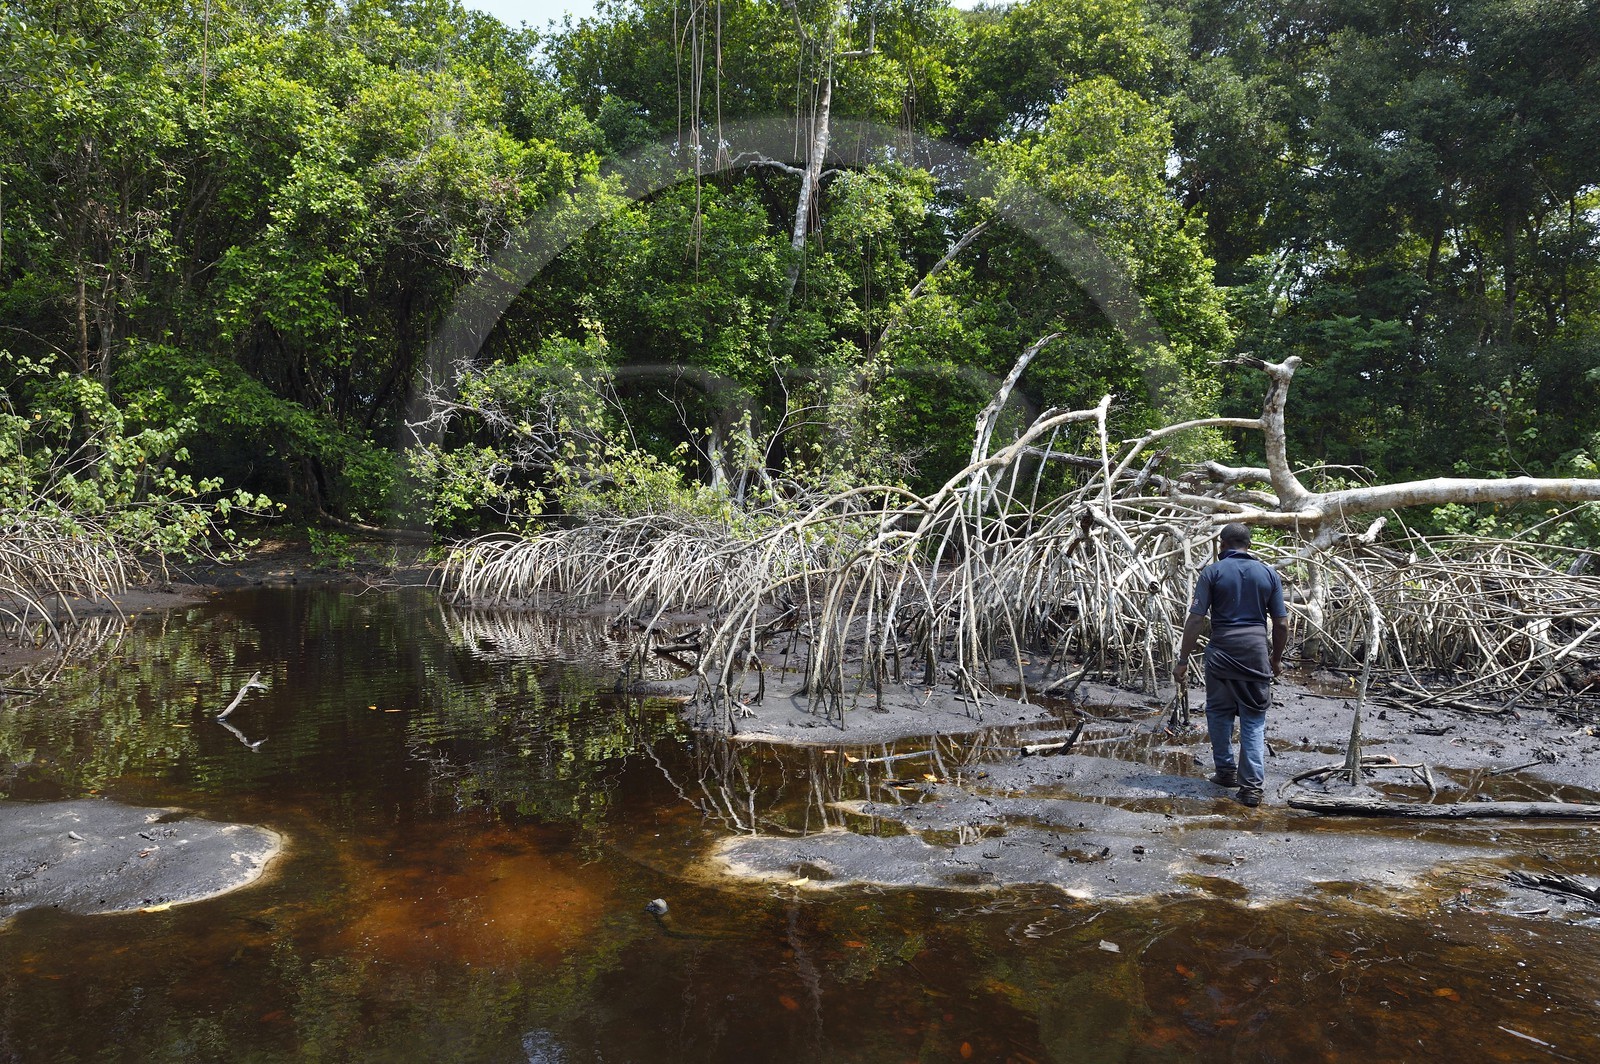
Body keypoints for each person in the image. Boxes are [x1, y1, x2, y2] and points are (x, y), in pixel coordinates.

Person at [1174, 523, 1289, 807]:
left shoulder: (1212, 572)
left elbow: (1196, 620)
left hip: (1221, 653)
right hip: (1255, 654)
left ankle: (1225, 772)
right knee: (1253, 719)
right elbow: (1282, 623)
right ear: (1248, 545)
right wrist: (1276, 659)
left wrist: (1183, 660)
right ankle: (1251, 788)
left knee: (1219, 711)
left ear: (1223, 544)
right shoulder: (1269, 574)